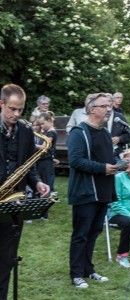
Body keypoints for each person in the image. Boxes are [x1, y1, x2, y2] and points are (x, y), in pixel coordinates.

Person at [0, 84, 50, 300]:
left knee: (6, 260)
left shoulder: (26, 131)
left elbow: (29, 164)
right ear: (1, 104)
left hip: (14, 203)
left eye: (20, 109)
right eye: (12, 109)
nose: (16, 114)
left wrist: (37, 182)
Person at [68, 92, 119, 288]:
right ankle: (76, 274)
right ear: (92, 109)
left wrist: (120, 164)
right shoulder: (78, 133)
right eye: (105, 106)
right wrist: (103, 168)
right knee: (81, 234)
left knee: (94, 232)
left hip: (103, 190)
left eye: (110, 106)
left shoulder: (105, 132)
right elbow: (76, 161)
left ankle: (88, 270)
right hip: (85, 192)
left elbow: (107, 158)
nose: (108, 109)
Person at [106, 93, 130, 159]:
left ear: (112, 102)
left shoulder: (120, 117)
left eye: (109, 101)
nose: (107, 104)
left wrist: (120, 139)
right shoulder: (97, 117)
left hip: (116, 153)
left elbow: (129, 134)